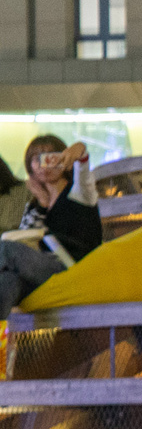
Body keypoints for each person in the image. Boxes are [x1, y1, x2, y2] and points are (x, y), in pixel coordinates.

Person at [0, 135, 99, 316]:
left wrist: (79, 151)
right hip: (43, 269)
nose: (43, 165)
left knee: (6, 249)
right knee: (9, 280)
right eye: (35, 159)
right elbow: (25, 238)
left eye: (49, 157)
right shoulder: (35, 203)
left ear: (64, 159)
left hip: (73, 269)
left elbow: (84, 172)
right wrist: (42, 205)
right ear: (30, 166)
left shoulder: (78, 192)